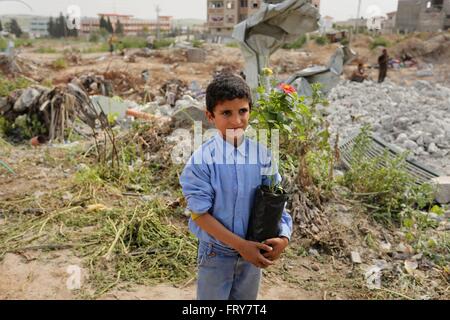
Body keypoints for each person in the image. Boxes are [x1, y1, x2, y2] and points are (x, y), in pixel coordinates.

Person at [179, 73, 293, 300]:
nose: (236, 120)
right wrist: (240, 245)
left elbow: (276, 199)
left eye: (242, 111)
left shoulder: (263, 157)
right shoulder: (202, 162)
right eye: (226, 113)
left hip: (253, 255)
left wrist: (284, 237)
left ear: (250, 110)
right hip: (215, 254)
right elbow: (200, 215)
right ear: (210, 116)